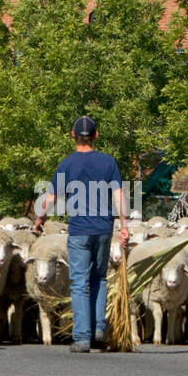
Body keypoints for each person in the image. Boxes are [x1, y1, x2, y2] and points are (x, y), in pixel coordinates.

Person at [33, 116, 129, 353]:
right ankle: (98, 329)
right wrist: (124, 225)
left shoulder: (67, 164)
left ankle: (82, 338)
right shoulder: (108, 163)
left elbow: (52, 197)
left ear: (72, 135)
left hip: (79, 231)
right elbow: (119, 196)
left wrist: (39, 217)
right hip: (104, 229)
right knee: (100, 279)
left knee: (79, 283)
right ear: (96, 136)